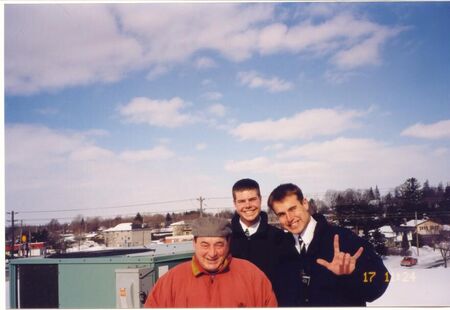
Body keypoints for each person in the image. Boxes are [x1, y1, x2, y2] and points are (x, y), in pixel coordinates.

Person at [267, 183, 390, 307]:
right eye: (281, 214)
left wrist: (352, 274)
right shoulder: (280, 247)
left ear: (304, 203)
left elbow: (382, 280)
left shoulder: (344, 239)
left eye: (292, 209)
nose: (289, 218)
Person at [144, 216, 277, 308]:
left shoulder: (252, 276)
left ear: (228, 243)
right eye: (205, 245)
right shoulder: (171, 281)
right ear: (194, 243)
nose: (212, 253)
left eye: (219, 245)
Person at [230, 178, 291, 284]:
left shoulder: (279, 237)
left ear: (260, 199)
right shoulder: (226, 238)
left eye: (252, 199)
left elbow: (288, 281)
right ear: (235, 204)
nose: (248, 205)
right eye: (242, 201)